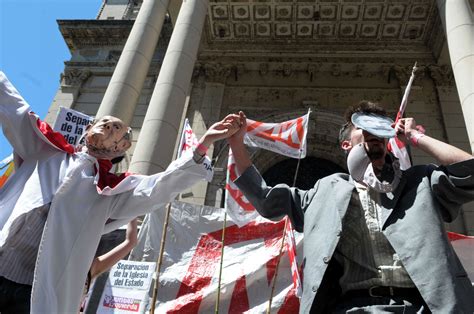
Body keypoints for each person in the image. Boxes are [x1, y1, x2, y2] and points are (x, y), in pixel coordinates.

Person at [0, 71, 241, 313]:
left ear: (120, 147)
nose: (107, 125)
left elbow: (159, 187)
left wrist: (205, 143)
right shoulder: (46, 149)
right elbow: (13, 106)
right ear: (87, 128)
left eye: (115, 127)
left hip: (34, 291)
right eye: (102, 122)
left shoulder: (111, 192)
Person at [228, 102, 474, 313]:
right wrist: (237, 144)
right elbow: (265, 198)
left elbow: (470, 171)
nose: (372, 130)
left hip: (425, 305)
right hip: (354, 306)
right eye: (363, 126)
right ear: (346, 145)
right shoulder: (324, 191)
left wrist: (414, 137)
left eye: (378, 126)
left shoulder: (421, 181)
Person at [80, 219, 138, 312]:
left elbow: (130, 242)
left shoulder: (87, 270)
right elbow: (130, 242)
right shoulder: (87, 271)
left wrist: (133, 213)